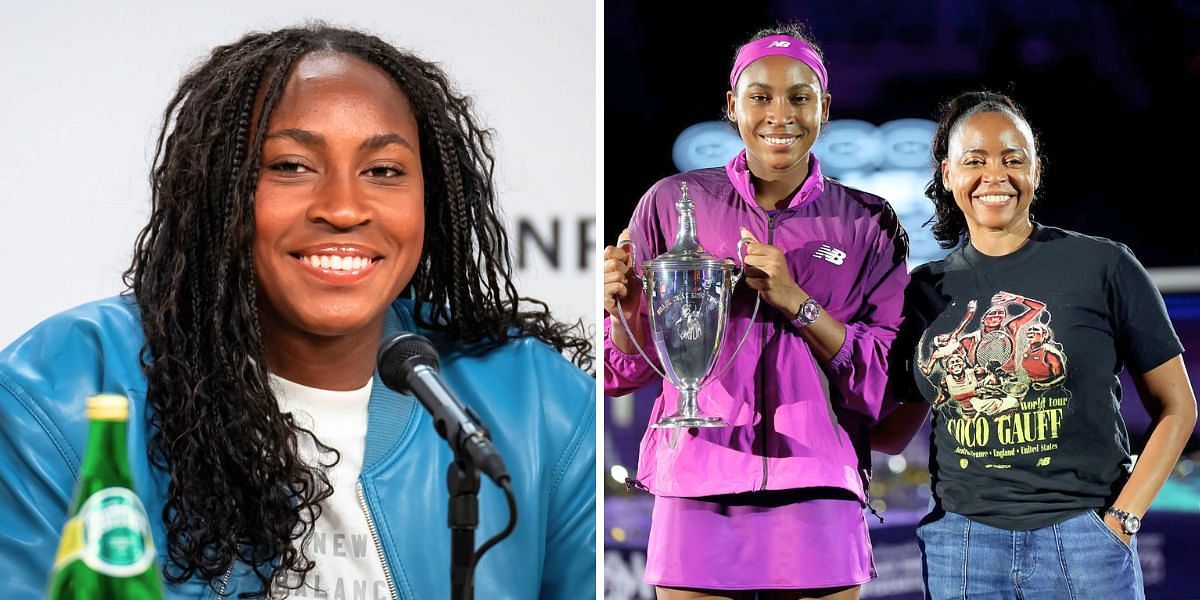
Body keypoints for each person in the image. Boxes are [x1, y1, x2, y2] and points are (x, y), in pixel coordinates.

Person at [0, 25, 595, 599]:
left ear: (430, 201)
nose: (342, 208)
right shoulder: (57, 390)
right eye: (290, 166)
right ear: (219, 191)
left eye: (383, 171)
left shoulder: (541, 407)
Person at [603, 23, 909, 600]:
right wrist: (625, 310)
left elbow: (880, 380)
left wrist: (797, 301)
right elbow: (625, 372)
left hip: (818, 483)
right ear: (731, 106)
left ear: (824, 107)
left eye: (799, 97)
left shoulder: (869, 221)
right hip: (699, 474)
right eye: (759, 96)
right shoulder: (671, 203)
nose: (779, 114)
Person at [875, 91, 1197, 599]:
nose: (994, 176)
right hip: (964, 547)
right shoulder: (924, 290)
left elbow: (1178, 408)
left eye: (1012, 159)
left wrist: (1123, 518)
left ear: (1037, 170)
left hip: (1085, 538)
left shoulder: (1103, 265)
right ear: (948, 174)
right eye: (974, 161)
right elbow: (902, 423)